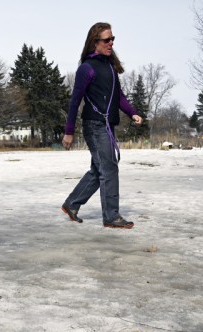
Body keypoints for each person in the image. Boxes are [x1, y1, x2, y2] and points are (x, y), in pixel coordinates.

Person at [61, 22, 143, 229]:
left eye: (113, 39)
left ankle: (72, 203)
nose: (111, 43)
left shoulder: (110, 67)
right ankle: (111, 216)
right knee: (109, 169)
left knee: (100, 170)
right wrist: (69, 132)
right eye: (107, 40)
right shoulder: (86, 69)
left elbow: (119, 97)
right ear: (95, 42)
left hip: (106, 125)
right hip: (94, 125)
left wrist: (132, 112)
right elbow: (74, 101)